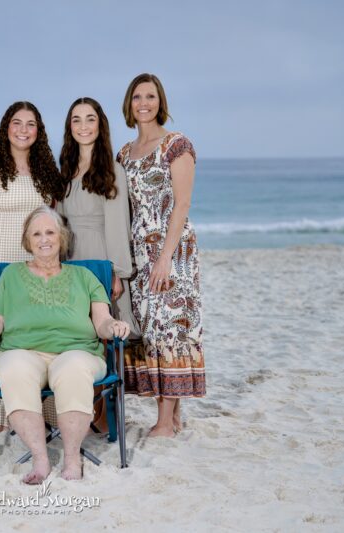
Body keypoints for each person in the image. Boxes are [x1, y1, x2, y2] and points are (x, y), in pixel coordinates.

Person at [0, 206, 130, 483]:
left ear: (62, 237)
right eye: (36, 233)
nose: (44, 239)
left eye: (50, 232)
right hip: (21, 351)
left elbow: (102, 322)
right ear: (27, 240)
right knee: (14, 369)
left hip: (77, 352)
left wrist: (114, 327)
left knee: (72, 368)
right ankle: (40, 459)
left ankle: (72, 459)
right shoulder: (11, 275)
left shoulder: (85, 278)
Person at [116, 73, 206, 437]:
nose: (144, 103)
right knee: (152, 331)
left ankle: (166, 422)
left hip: (172, 251)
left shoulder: (176, 145)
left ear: (160, 101)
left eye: (150, 96)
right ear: (129, 103)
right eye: (137, 97)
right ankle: (172, 416)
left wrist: (166, 256)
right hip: (139, 253)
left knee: (170, 328)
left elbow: (182, 203)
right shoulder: (124, 153)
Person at [0, 101, 62, 430]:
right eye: (17, 122)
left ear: (39, 131)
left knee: (36, 337)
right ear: (5, 127)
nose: (23, 130)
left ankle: (41, 414)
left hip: (37, 264)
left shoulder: (46, 170)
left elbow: (52, 222)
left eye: (31, 124)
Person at [56, 97, 137, 432]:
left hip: (100, 255)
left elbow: (118, 223)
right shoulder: (65, 167)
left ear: (100, 125)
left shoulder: (111, 169)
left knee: (105, 339)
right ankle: (77, 412)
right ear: (69, 127)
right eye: (76, 120)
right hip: (69, 259)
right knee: (77, 337)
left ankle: (106, 418)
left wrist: (117, 272)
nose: (83, 126)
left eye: (90, 119)